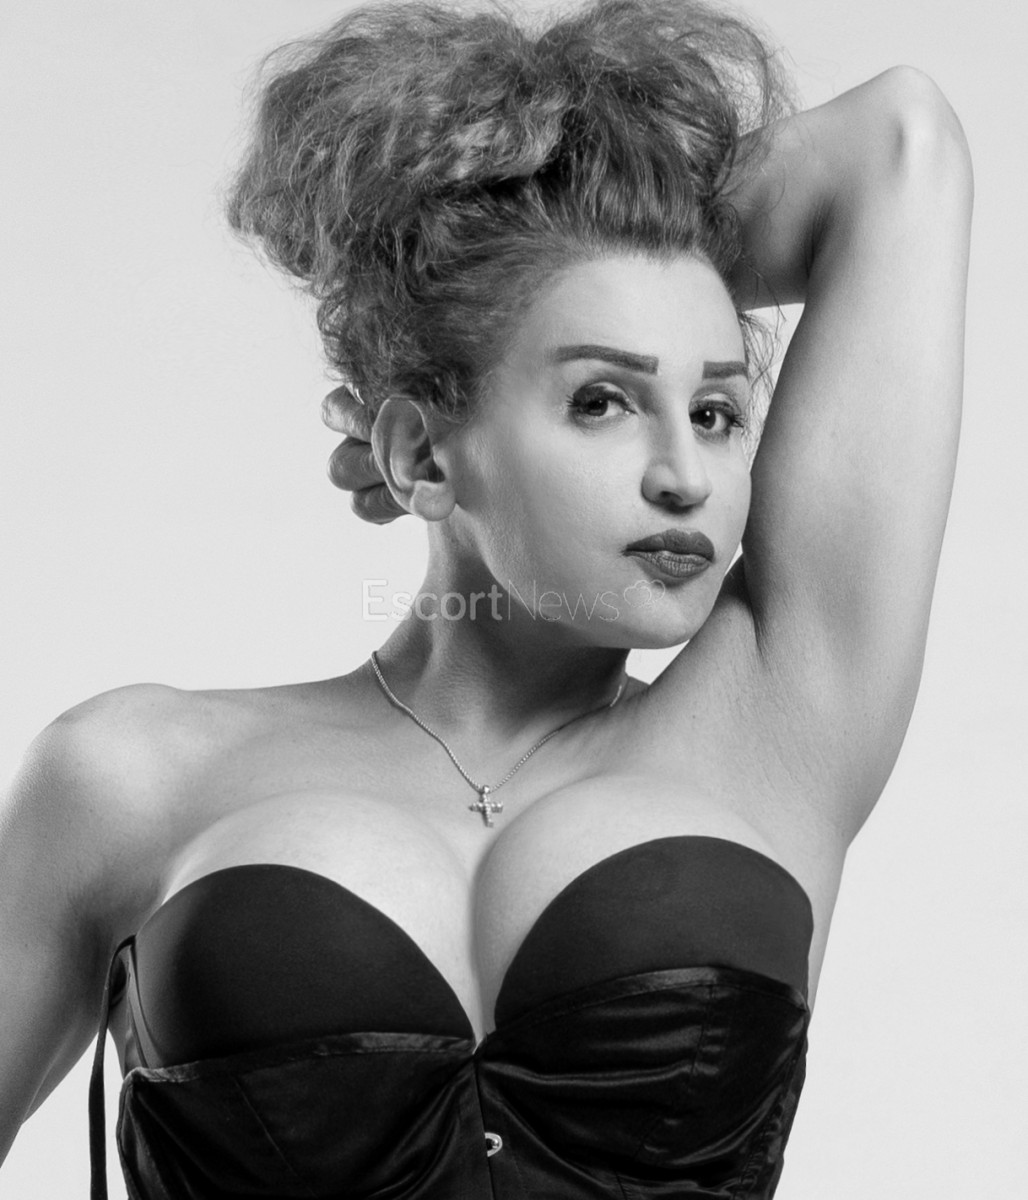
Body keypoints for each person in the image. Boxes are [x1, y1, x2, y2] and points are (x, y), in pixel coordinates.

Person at [0, 0, 972, 1196]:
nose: (683, 475)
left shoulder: (774, 721)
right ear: (420, 453)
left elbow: (897, 145)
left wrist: (547, 238)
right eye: (600, 401)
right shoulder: (127, 777)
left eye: (715, 411)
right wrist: (453, 295)